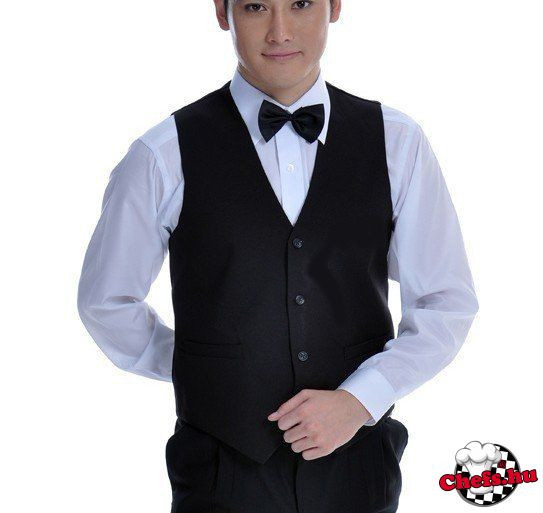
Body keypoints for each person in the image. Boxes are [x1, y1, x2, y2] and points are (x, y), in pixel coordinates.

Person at [77, 1, 479, 511]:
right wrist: (201, 367)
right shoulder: (163, 153)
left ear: (334, 6)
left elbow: (445, 302)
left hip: (359, 474)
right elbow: (107, 303)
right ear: (222, 12)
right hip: (220, 480)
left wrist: (362, 398)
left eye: (301, 4)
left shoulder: (397, 143)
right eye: (255, 7)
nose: (280, 31)